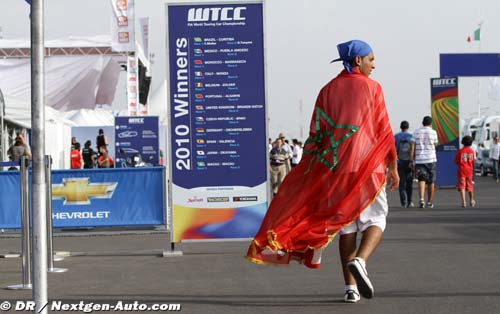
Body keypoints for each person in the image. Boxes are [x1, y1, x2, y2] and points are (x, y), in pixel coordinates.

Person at [246, 40, 399, 304]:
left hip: (337, 171)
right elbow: (383, 130)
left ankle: (350, 289)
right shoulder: (373, 88)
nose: (374, 65)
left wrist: (313, 171)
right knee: (377, 219)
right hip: (367, 168)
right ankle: (361, 261)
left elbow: (317, 134)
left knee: (346, 226)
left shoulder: (327, 90)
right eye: (371, 59)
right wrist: (393, 165)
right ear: (357, 61)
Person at [411, 116, 438, 208]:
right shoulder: (433, 132)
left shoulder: (416, 132)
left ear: (422, 123)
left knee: (421, 179)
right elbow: (435, 144)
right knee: (431, 181)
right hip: (431, 159)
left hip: (419, 159)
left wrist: (411, 159)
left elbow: (413, 146)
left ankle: (421, 199)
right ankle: (430, 202)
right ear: (430, 124)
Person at [394, 120, 415, 208]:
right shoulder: (411, 137)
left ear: (400, 127)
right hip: (409, 162)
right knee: (409, 182)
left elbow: (393, 150)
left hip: (399, 162)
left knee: (402, 182)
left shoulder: (396, 137)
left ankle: (404, 202)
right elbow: (413, 149)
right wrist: (411, 161)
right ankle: (410, 201)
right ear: (408, 127)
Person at [454, 136, 476, 208]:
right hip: (469, 170)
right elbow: (473, 161)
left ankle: (464, 202)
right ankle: (472, 200)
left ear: (463, 142)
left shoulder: (460, 151)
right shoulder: (472, 151)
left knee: (462, 186)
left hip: (462, 170)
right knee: (470, 185)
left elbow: (456, 161)